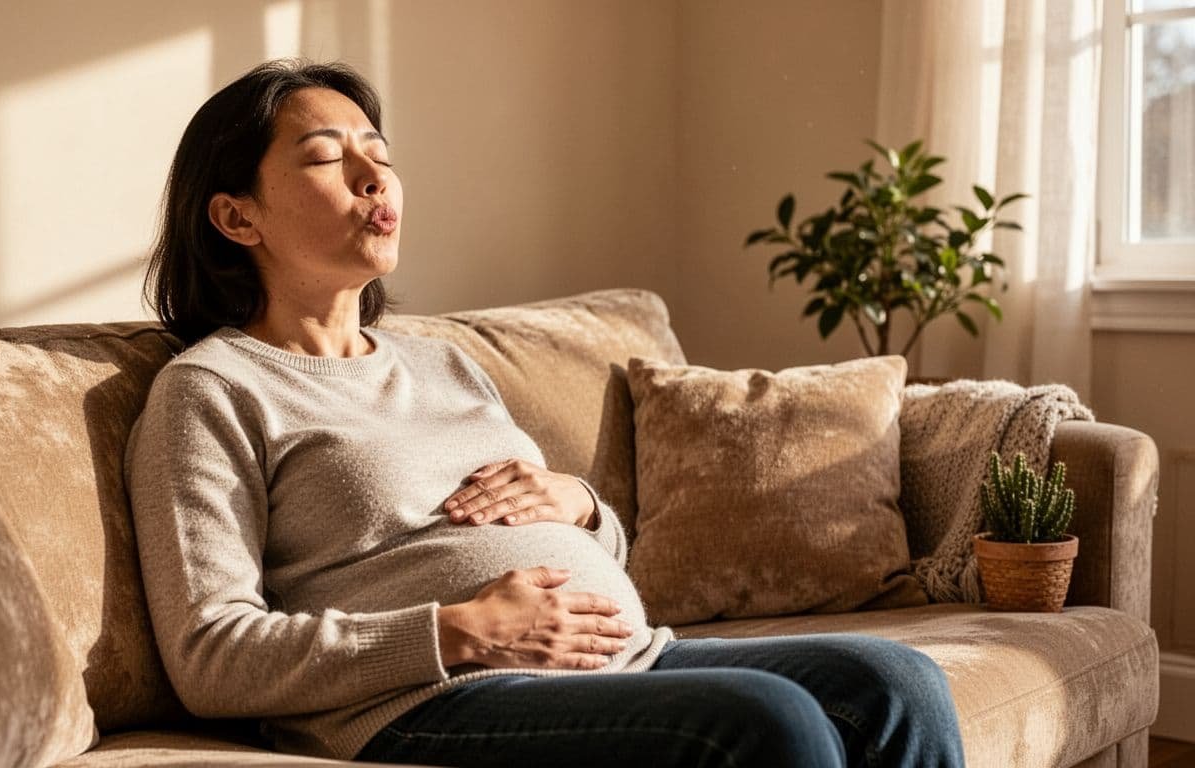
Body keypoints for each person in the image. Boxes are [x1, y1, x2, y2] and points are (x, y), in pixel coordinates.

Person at [124, 58, 966, 768]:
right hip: (432, 696)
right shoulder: (213, 389)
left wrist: (584, 504)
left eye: (378, 153)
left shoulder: (441, 361)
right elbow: (212, 656)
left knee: (897, 684)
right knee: (767, 723)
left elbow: (582, 547)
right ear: (238, 216)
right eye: (324, 157)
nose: (373, 176)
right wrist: (457, 631)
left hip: (626, 658)